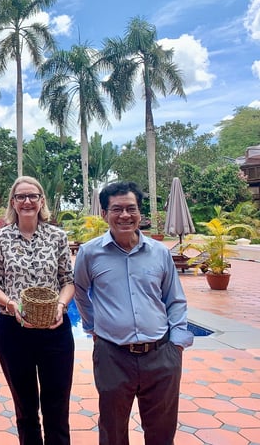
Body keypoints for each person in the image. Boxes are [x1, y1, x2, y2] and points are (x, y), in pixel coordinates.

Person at [74, 181, 194, 445]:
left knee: (162, 432)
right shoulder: (90, 253)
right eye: (117, 209)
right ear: (104, 214)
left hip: (161, 355)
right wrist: (94, 328)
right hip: (112, 356)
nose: (125, 216)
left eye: (131, 209)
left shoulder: (160, 253)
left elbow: (175, 300)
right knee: (113, 431)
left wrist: (177, 345)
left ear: (140, 213)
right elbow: (80, 292)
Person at [0, 176, 75, 445]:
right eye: (20, 196)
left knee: (57, 408)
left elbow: (68, 281)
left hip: (54, 331)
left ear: (41, 200)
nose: (27, 201)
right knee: (25, 410)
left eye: (32, 196)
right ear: (13, 202)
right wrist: (11, 303)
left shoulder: (57, 236)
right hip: (14, 331)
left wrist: (60, 305)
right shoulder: (1, 238)